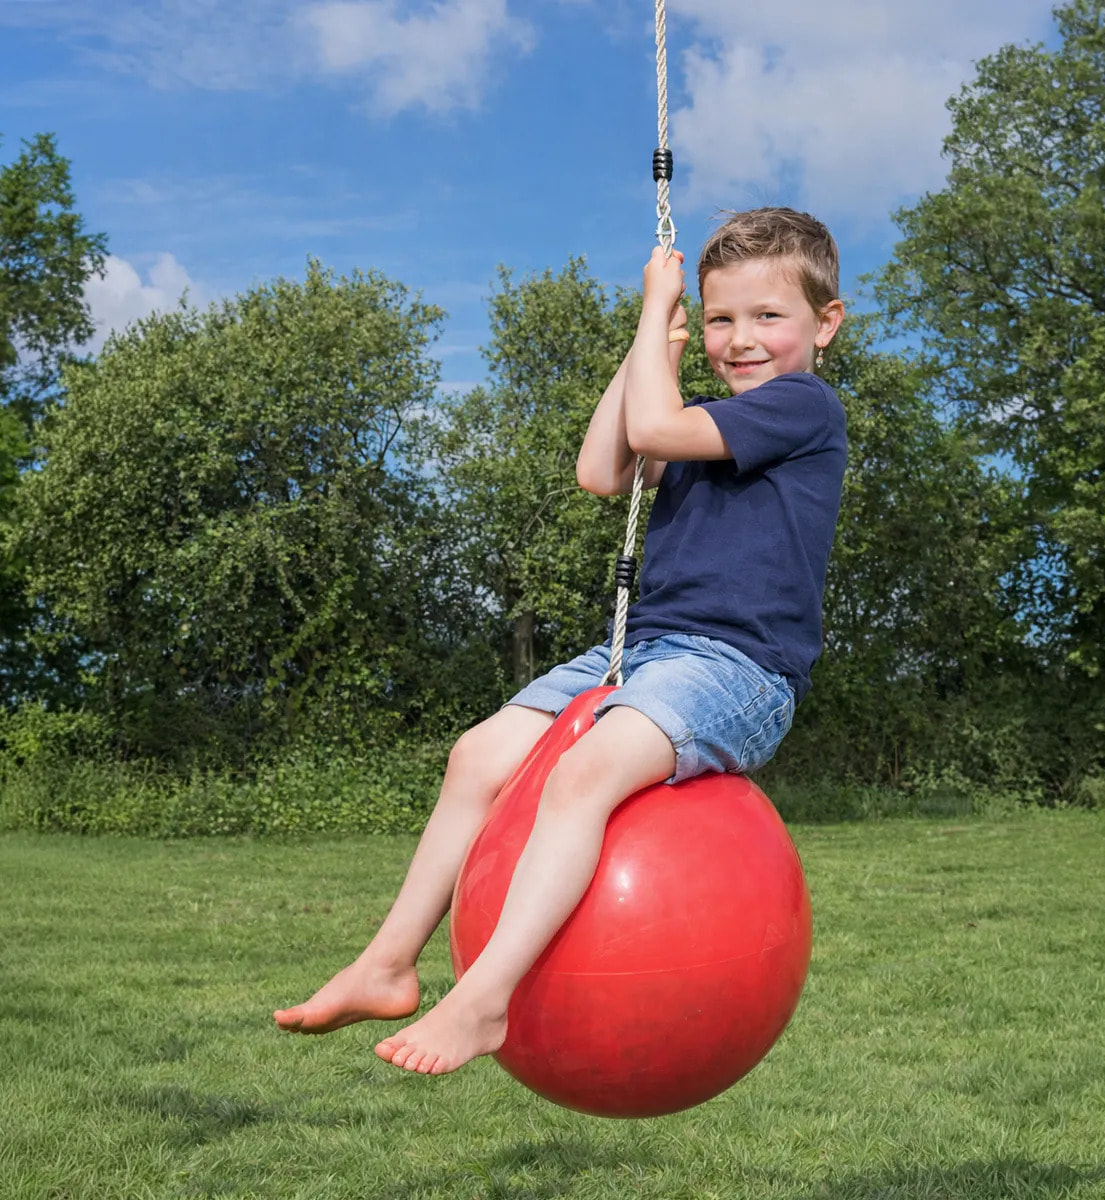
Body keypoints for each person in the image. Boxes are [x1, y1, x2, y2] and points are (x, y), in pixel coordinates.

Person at [273, 207, 847, 1076]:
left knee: (582, 776)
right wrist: (648, 338)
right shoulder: (698, 417)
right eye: (722, 318)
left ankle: (484, 998)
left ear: (825, 324)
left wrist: (662, 325)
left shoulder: (804, 407)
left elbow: (652, 435)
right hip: (644, 651)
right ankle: (387, 965)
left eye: (769, 317)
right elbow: (602, 469)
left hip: (737, 670)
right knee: (477, 757)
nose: (741, 339)